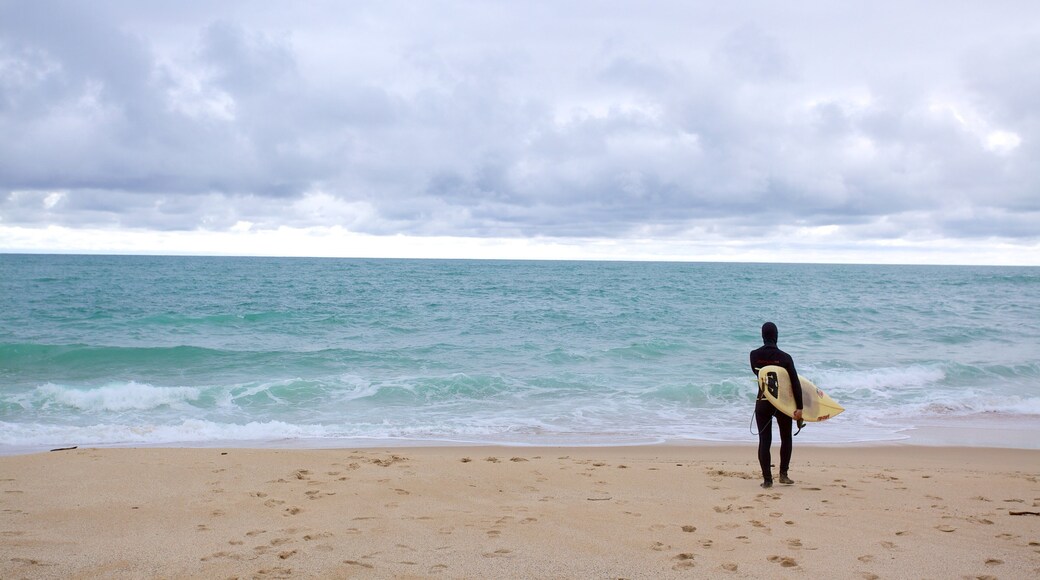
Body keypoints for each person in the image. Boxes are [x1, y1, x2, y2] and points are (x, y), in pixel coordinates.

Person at [750, 322, 803, 488]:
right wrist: (799, 407)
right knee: (786, 438)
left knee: (764, 440)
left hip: (764, 401)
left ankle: (767, 480)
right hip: (783, 403)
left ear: (762, 336)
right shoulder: (786, 358)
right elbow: (795, 383)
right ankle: (783, 475)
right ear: (776, 335)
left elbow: (759, 374)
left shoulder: (754, 355)